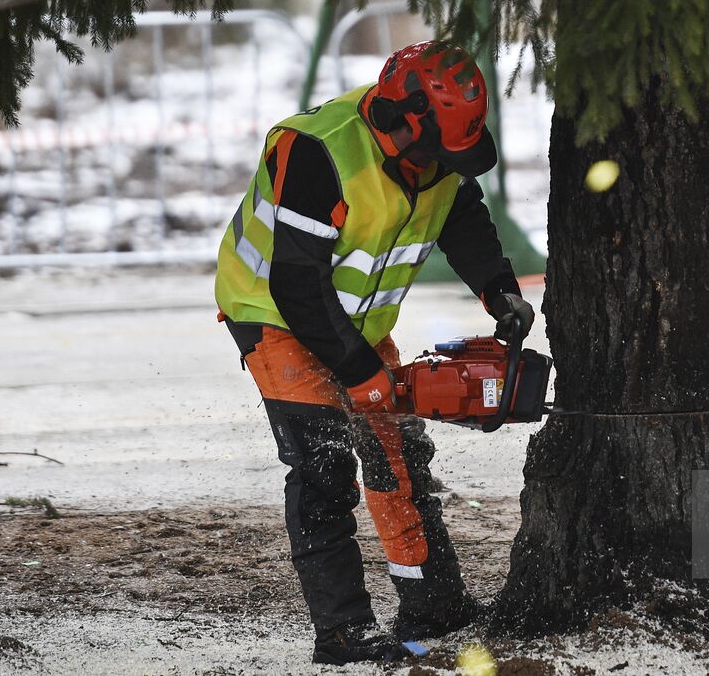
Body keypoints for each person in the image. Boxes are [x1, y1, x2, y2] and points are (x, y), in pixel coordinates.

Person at [214, 41, 535, 664]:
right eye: (433, 154)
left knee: (398, 454)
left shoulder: (437, 159)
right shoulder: (317, 153)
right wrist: (362, 374)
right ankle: (342, 632)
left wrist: (500, 291)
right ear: (398, 121)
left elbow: (461, 213)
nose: (440, 167)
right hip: (274, 312)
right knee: (324, 463)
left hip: (353, 320)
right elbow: (296, 285)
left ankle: (433, 603)